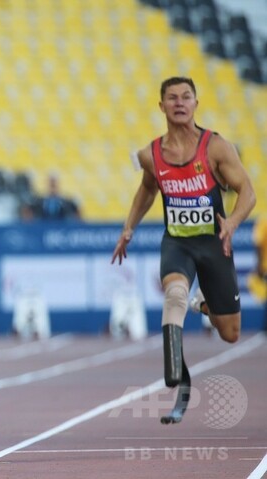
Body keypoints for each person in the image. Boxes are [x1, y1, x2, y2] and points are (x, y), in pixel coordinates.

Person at [111, 77, 256, 412]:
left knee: (230, 333)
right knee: (175, 293)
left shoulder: (216, 147)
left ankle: (204, 304)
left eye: (186, 97)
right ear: (161, 106)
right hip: (176, 244)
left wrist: (232, 222)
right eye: (172, 98)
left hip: (214, 244)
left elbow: (247, 191)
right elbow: (147, 190)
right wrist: (128, 229)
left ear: (196, 104)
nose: (179, 102)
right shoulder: (151, 154)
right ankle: (173, 368)